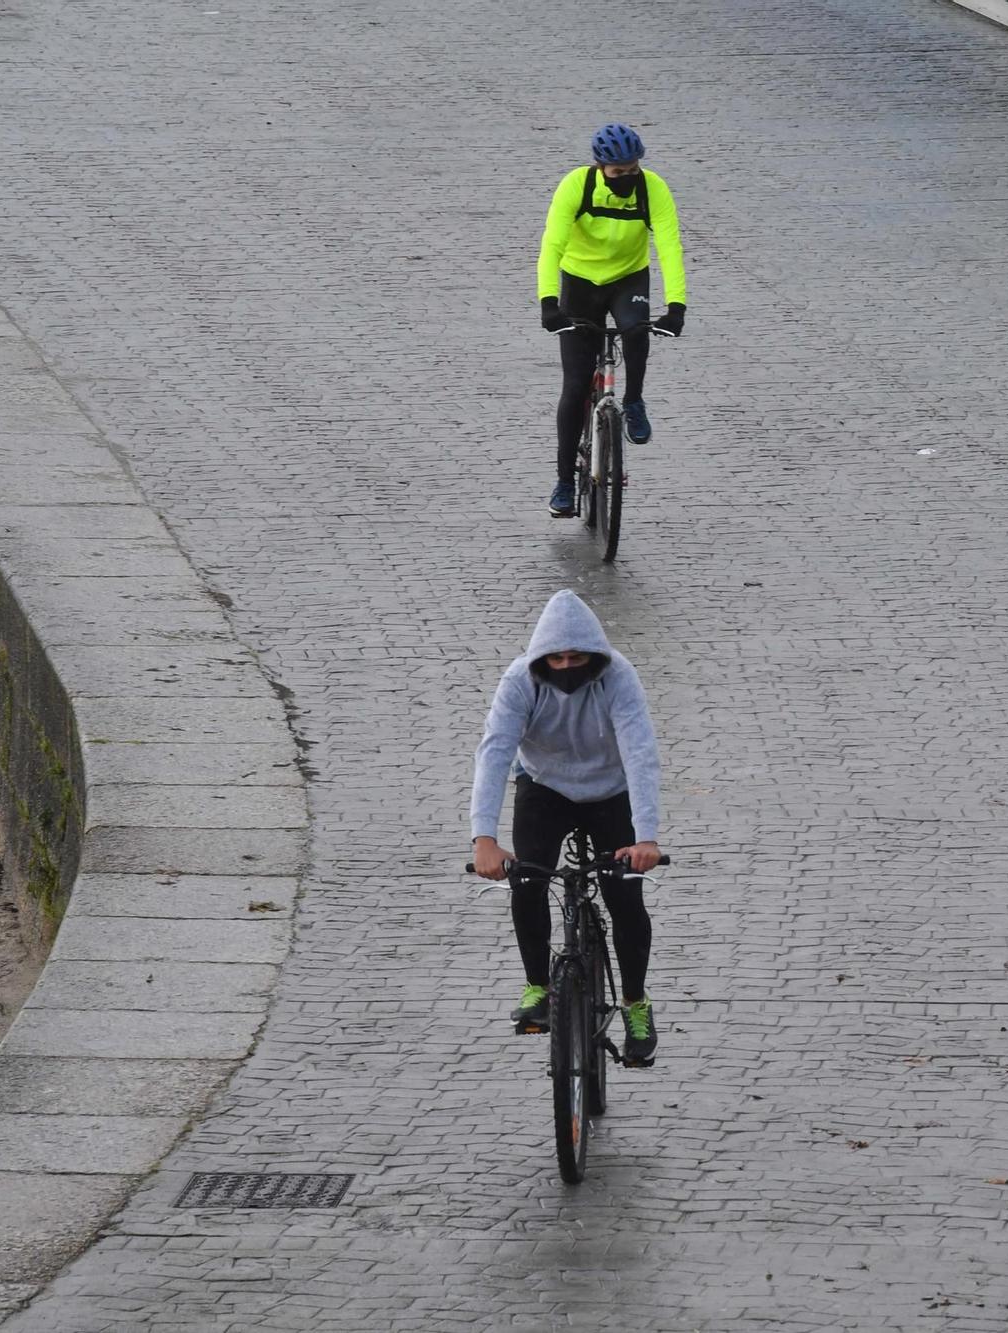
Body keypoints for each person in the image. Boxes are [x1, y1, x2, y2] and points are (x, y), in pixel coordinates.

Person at [470, 589, 666, 1064]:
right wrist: (484, 839)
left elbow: (640, 754)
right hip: (544, 788)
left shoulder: (619, 677)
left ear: (595, 657)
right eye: (555, 658)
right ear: (540, 659)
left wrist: (646, 838)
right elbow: (494, 753)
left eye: (576, 657)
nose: (565, 666)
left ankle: (636, 1002)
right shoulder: (520, 680)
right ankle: (538, 985)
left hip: (610, 792)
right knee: (529, 882)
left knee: (625, 895)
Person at [538, 123, 688, 517]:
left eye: (632, 170)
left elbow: (669, 247)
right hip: (580, 282)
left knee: (637, 330)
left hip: (627, 278)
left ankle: (634, 401)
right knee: (574, 387)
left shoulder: (653, 188)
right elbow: (551, 244)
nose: (626, 177)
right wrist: (548, 303)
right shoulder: (576, 185)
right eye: (617, 172)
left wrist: (677, 307)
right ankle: (564, 483)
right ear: (600, 166)